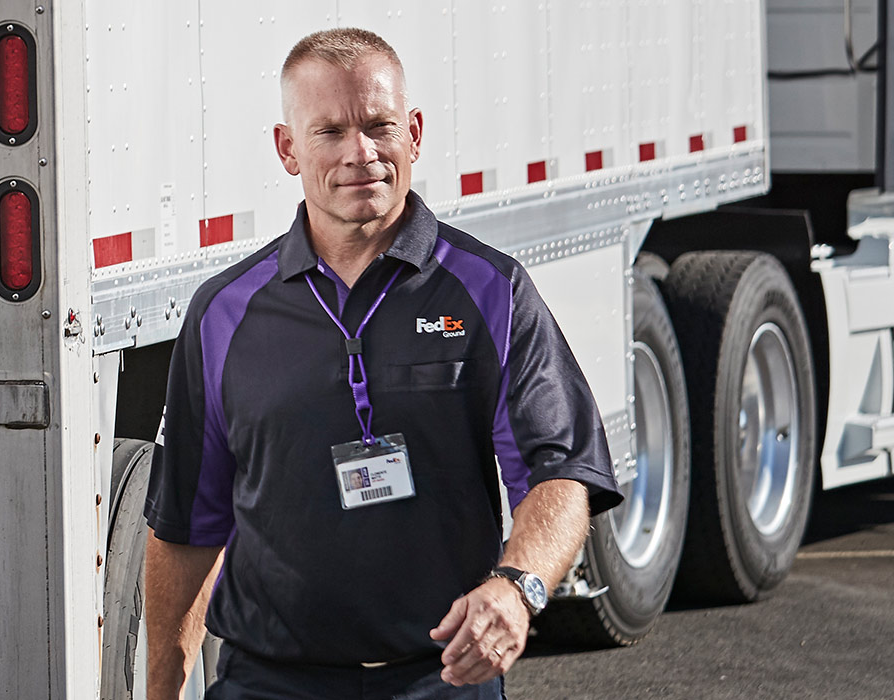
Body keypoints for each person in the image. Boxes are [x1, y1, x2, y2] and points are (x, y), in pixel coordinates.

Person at [141, 28, 625, 700]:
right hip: (269, 684)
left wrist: (517, 588)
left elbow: (561, 471)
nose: (359, 153)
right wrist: (158, 692)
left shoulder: (491, 290)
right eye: (331, 131)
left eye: (379, 126)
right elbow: (186, 527)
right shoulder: (223, 313)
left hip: (441, 680)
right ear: (288, 149)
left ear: (415, 134)